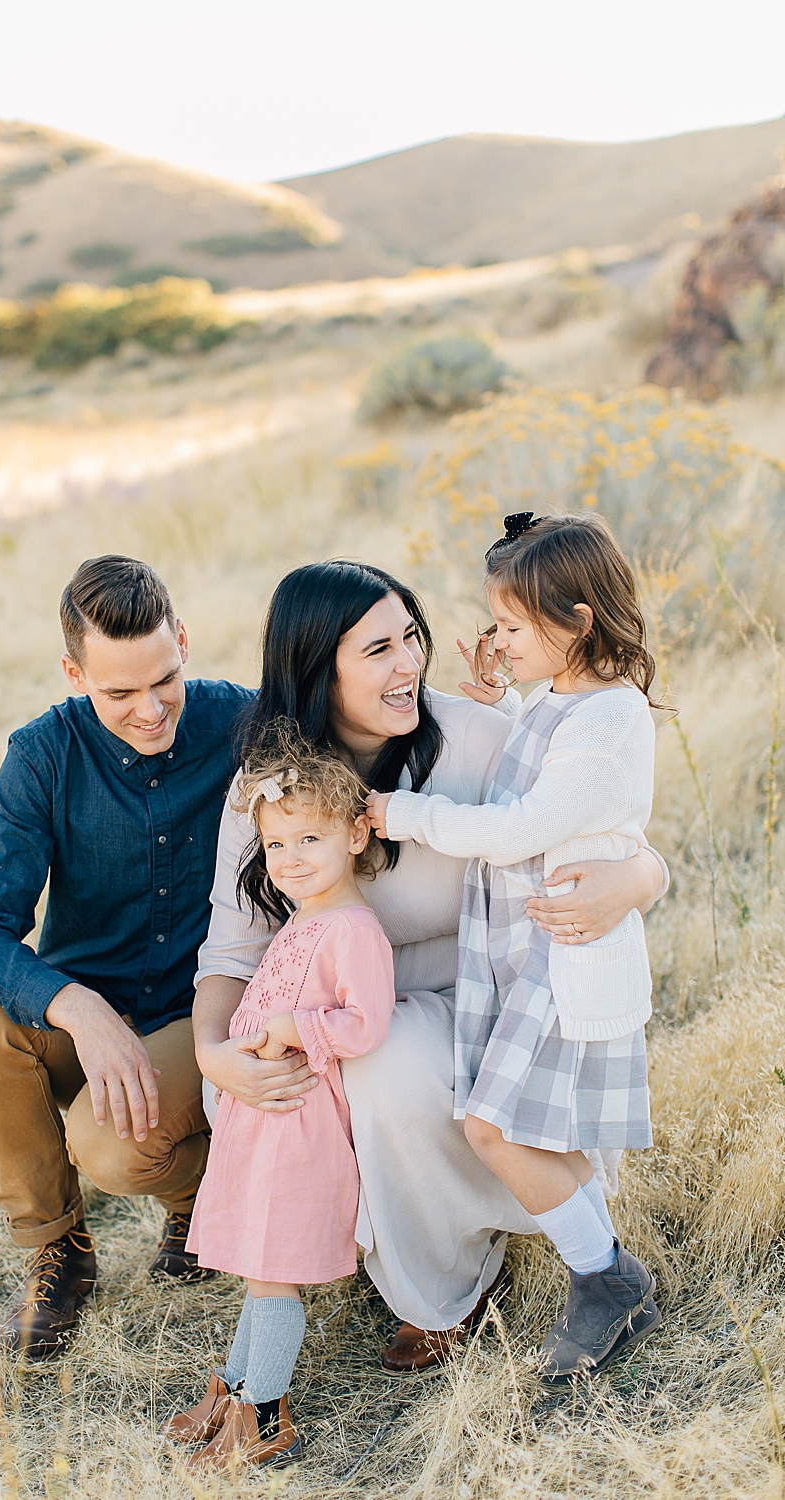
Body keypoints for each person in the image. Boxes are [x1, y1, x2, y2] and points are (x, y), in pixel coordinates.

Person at [194, 559, 669, 1374]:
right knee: (271, 1074)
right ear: (317, 670)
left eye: (411, 637)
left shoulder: (476, 737)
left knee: (386, 1061)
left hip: (474, 999)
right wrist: (212, 1053)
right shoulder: (270, 786)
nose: (410, 662)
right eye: (378, 649)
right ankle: (331, 1249)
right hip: (326, 1007)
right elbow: (231, 948)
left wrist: (644, 878)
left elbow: (594, 821)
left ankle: (449, 1282)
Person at [0, 555, 263, 1360]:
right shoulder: (43, 754)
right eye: (119, 693)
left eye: (165, 680)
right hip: (86, 1017)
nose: (150, 710)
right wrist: (77, 1007)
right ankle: (60, 1254)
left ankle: (201, 1197)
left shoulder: (243, 723)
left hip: (201, 1013)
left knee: (112, 1147)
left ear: (183, 641)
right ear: (74, 673)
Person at [366, 512, 661, 1381]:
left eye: (514, 627)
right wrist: (501, 704)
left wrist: (402, 813)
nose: (497, 641)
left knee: (494, 1128)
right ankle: (609, 1275)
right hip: (530, 958)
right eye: (495, 623)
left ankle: (603, 1277)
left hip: (563, 961)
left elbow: (522, 825)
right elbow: (530, 777)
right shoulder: (559, 699)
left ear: (578, 622)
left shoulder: (611, 720)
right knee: (537, 1131)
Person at [166, 739, 395, 1470]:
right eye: (275, 845)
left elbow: (367, 1023)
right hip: (265, 1124)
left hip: (300, 1131)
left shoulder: (353, 929)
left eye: (309, 840)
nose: (290, 859)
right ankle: (234, 1388)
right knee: (257, 1268)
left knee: (273, 1279)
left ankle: (264, 1413)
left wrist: (297, 1027)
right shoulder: (304, 918)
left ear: (354, 835)